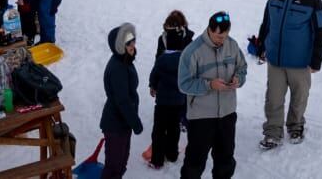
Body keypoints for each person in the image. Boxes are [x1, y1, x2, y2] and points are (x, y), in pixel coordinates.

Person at [255, 0, 322, 149]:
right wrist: (261, 45)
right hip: (276, 60)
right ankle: (272, 132)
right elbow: (267, 21)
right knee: (273, 98)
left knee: (299, 97)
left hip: (300, 61)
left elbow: (321, 30)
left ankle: (295, 126)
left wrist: (316, 60)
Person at [178, 12, 247, 179]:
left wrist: (239, 79)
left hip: (227, 115)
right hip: (201, 118)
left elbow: (242, 68)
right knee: (195, 163)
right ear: (209, 29)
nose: (220, 40)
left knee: (225, 161)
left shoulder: (232, 46)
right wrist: (209, 85)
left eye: (224, 36)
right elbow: (183, 84)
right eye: (217, 36)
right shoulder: (192, 51)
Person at [149, 12, 192, 169]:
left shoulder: (161, 60)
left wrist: (152, 86)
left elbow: (154, 74)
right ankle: (172, 155)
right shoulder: (184, 60)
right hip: (179, 99)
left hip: (163, 101)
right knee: (174, 128)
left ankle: (157, 160)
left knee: (159, 130)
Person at [100, 23, 143, 179]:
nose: (133, 45)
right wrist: (135, 123)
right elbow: (123, 101)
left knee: (121, 163)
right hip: (115, 124)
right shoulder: (118, 68)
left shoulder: (124, 61)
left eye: (133, 40)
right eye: (128, 43)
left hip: (123, 122)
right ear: (119, 46)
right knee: (114, 167)